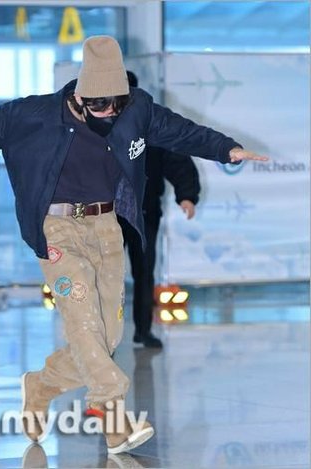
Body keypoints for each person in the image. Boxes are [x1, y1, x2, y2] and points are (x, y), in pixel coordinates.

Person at [0, 35, 268, 454]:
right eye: (100, 106)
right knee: (83, 323)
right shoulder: (32, 115)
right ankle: (114, 418)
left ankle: (41, 386)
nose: (109, 114)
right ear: (79, 96)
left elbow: (181, 133)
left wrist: (226, 149)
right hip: (57, 229)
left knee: (106, 335)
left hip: (106, 227)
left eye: (116, 105)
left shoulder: (137, 109)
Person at [118, 71, 201, 349]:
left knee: (144, 271)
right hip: (106, 213)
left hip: (144, 212)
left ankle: (143, 330)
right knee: (107, 275)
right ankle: (105, 336)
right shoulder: (97, 122)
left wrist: (186, 195)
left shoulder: (150, 122)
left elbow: (176, 158)